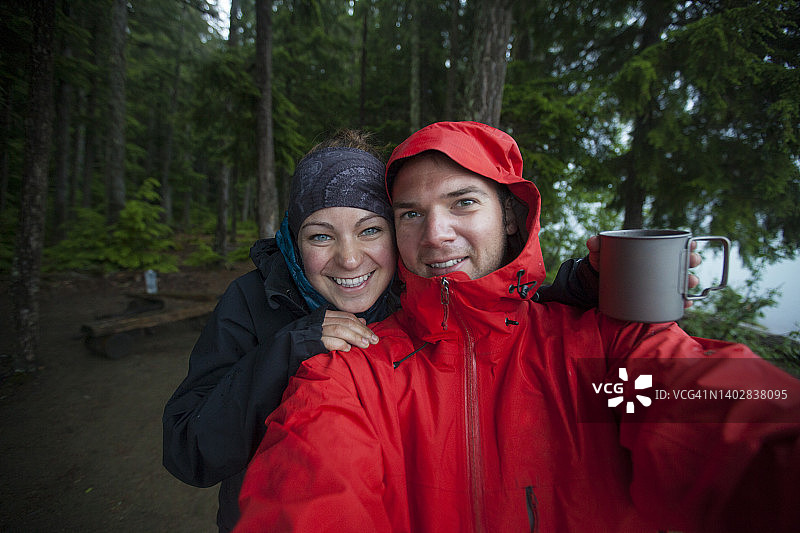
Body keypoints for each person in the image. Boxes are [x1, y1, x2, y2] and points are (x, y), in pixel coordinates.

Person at [234, 121, 800, 533]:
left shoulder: (601, 357)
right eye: (410, 212)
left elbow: (731, 417)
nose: (436, 234)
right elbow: (309, 497)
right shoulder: (356, 375)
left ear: (509, 215)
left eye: (463, 202)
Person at [162, 130, 605, 532]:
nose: (350, 259)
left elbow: (488, 314)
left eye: (371, 230)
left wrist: (577, 291)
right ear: (293, 241)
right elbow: (191, 453)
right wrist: (288, 348)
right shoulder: (253, 303)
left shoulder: (411, 291)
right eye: (320, 236)